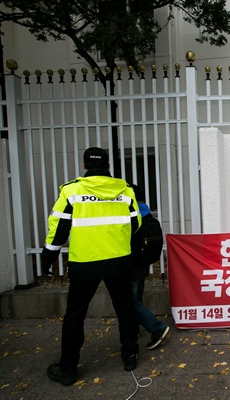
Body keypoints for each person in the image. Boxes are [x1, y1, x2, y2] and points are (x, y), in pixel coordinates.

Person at [41, 147, 141, 386]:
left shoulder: (71, 190)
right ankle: (130, 358)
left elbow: (58, 228)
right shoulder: (125, 190)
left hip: (84, 263)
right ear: (108, 165)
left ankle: (67, 369)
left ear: (84, 166)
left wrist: (48, 257)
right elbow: (136, 223)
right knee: (125, 310)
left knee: (75, 316)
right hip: (118, 260)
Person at [130, 184, 170, 350]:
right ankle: (133, 329)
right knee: (136, 299)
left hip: (131, 265)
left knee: (131, 301)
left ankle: (157, 328)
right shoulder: (146, 213)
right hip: (143, 264)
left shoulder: (131, 216)